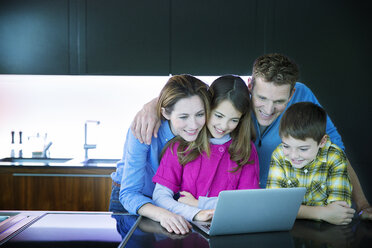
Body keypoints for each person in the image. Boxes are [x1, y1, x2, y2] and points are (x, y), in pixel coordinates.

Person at [130, 53, 372, 221]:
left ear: (292, 94)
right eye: (262, 99)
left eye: (279, 102)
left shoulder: (301, 97)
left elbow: (335, 151)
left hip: (275, 203)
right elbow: (189, 91)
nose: (268, 109)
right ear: (250, 86)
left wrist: (362, 206)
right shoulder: (228, 99)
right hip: (201, 212)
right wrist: (153, 104)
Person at [109, 74, 211, 235]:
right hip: (134, 199)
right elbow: (129, 193)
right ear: (165, 113)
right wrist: (162, 214)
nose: (194, 125)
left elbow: (232, 92)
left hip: (173, 203)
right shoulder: (143, 129)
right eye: (183, 117)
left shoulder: (207, 130)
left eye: (200, 114)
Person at [152, 75, 260, 222]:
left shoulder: (246, 150)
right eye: (218, 115)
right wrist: (193, 213)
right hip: (186, 227)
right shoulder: (180, 146)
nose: (223, 126)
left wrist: (200, 204)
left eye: (234, 120)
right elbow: (160, 196)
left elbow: (247, 203)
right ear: (207, 107)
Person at [266, 102, 354, 225]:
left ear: (322, 142)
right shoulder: (279, 154)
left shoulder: (335, 156)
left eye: (303, 149)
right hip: (291, 229)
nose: (293, 155)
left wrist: (290, 210)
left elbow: (339, 212)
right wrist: (322, 213)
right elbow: (274, 207)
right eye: (286, 146)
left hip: (327, 233)